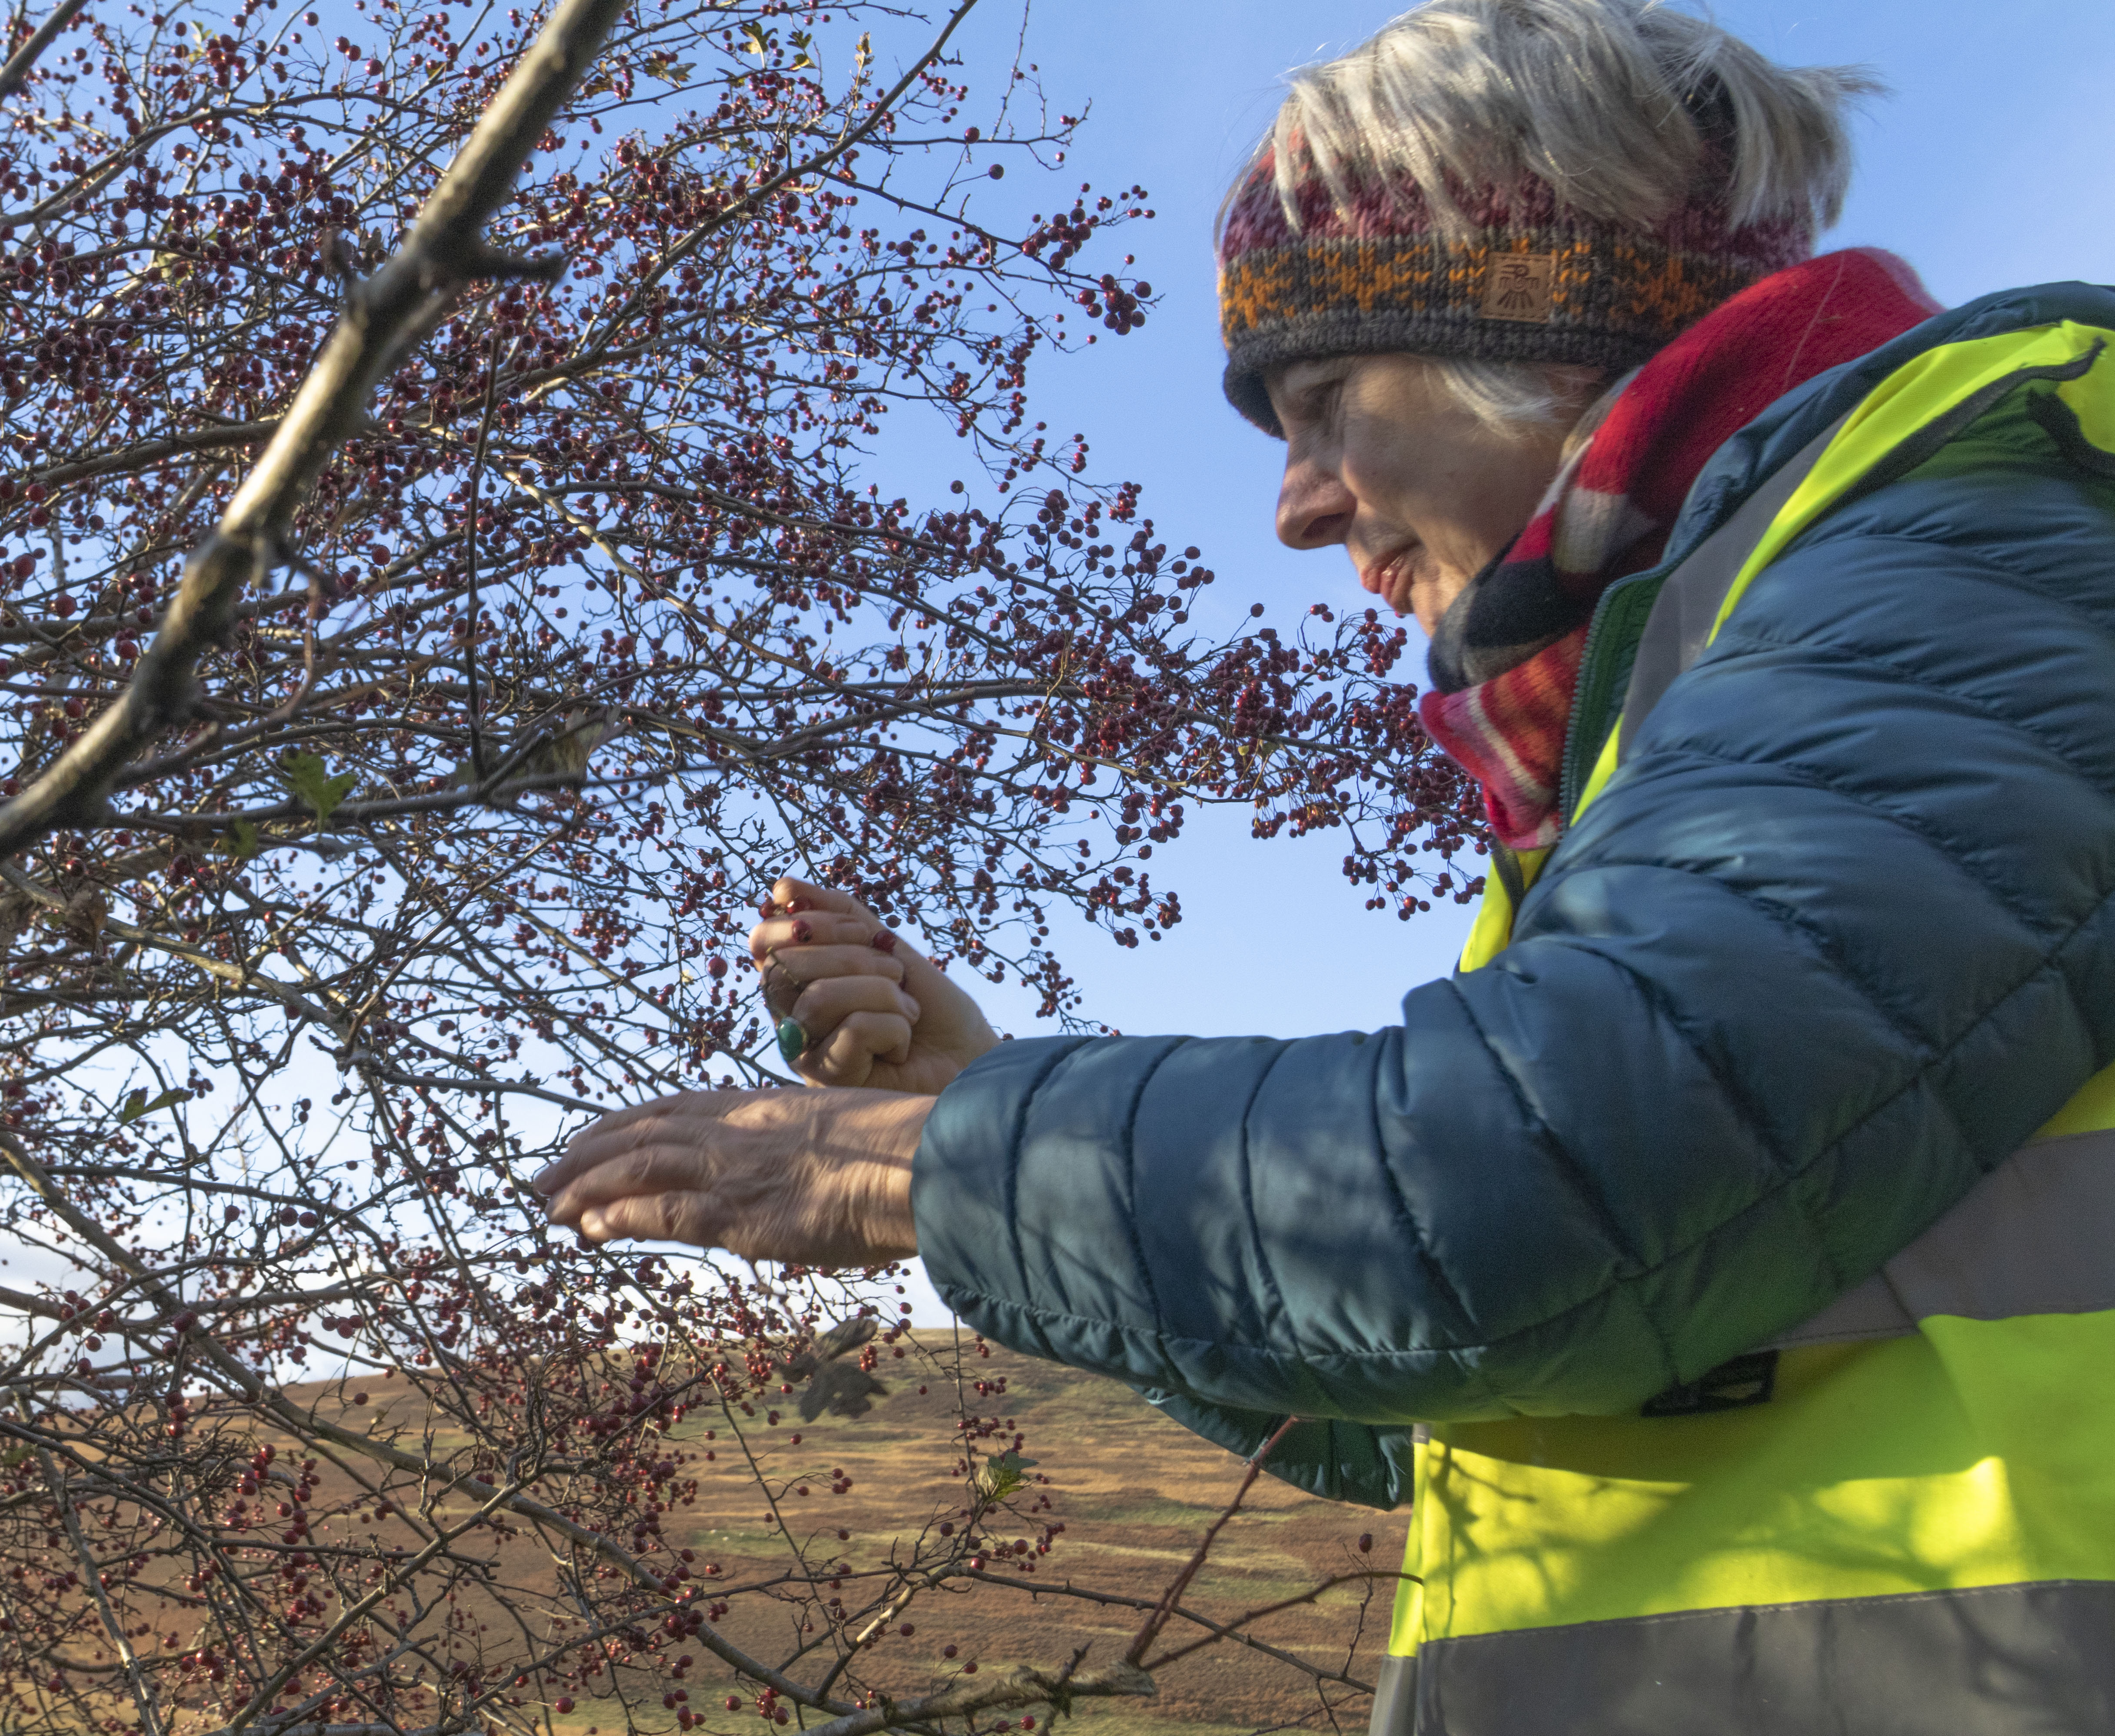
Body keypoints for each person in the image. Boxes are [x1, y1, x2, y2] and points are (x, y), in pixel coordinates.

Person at [533, 1, 2115, 1729]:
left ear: (1539, 322)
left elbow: (1555, 1189)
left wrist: (941, 1161)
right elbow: (1441, 1380)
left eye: (1322, 400)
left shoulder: (1975, 534)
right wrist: (988, 1092)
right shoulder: (1658, 739)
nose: (1294, 505)